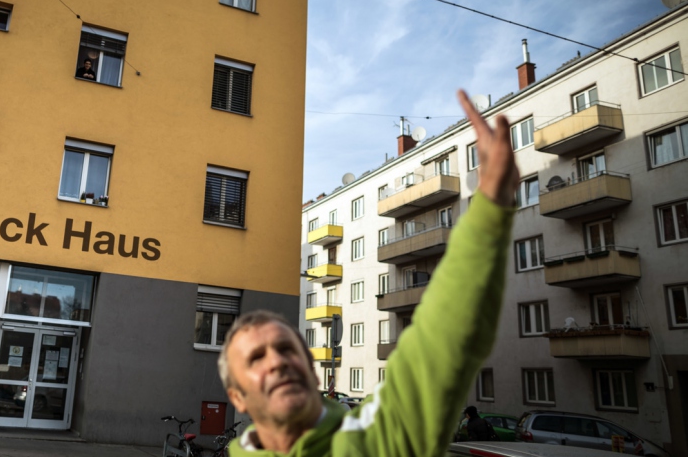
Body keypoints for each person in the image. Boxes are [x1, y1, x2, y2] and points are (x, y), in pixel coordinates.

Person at [219, 89, 519, 457]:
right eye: (255, 359)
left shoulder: (372, 444)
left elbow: (435, 348)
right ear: (238, 397)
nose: (277, 362)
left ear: (313, 374)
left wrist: (491, 203)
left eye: (286, 349)